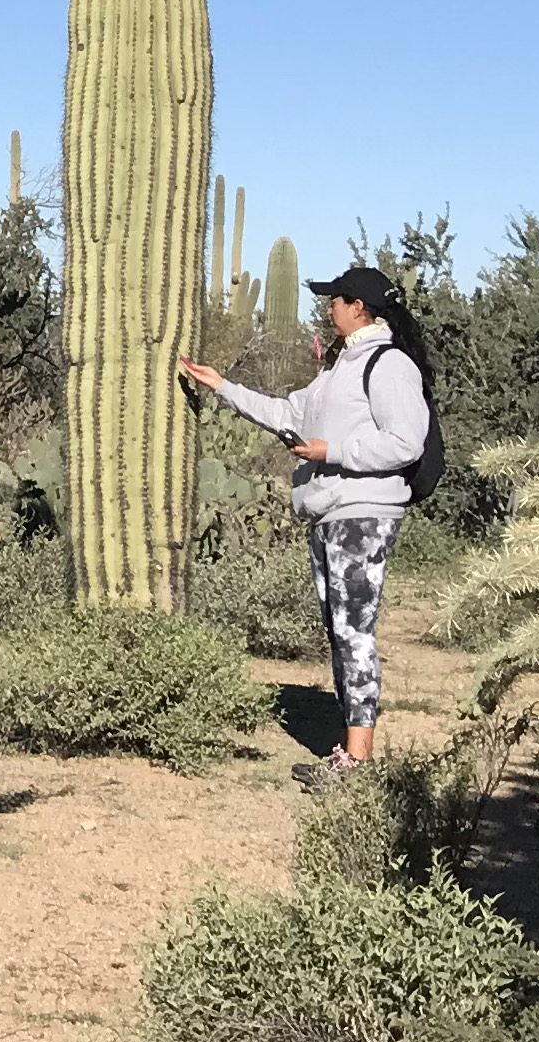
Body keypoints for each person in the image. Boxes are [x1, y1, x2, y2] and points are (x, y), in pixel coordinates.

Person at [177, 264, 433, 785]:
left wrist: (330, 450)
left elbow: (407, 442)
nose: (328, 307)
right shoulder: (340, 367)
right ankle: (348, 750)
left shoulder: (389, 365)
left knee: (354, 630)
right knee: (340, 630)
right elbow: (286, 412)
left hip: (364, 512)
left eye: (335, 299)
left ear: (358, 307)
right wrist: (222, 386)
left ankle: (357, 762)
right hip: (330, 511)